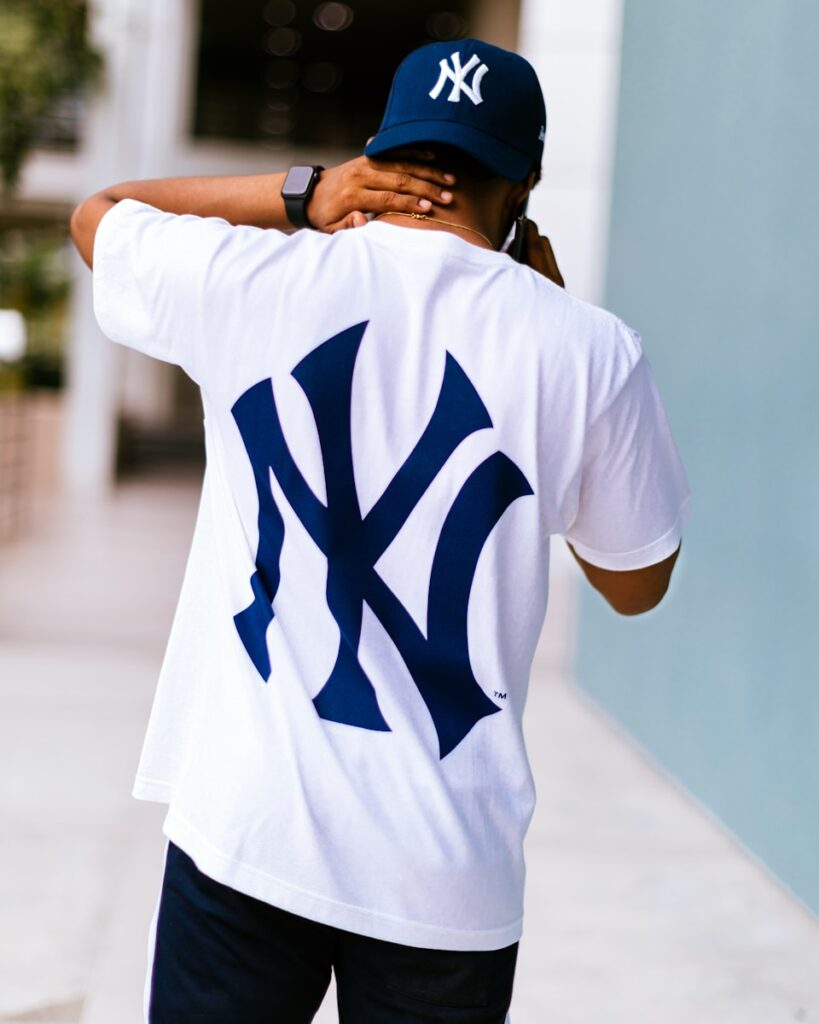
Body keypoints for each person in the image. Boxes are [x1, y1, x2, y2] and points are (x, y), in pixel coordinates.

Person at [70, 37, 690, 1024]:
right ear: (524, 176)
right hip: (443, 879)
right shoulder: (587, 350)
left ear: (385, 152)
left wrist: (301, 196)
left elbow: (98, 214)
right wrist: (560, 372)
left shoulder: (254, 279)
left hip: (249, 826)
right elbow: (635, 579)